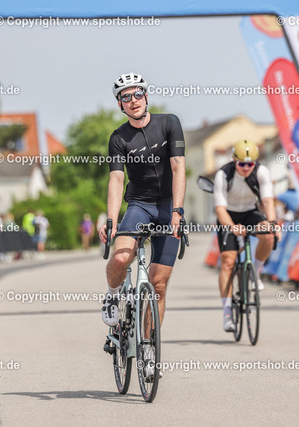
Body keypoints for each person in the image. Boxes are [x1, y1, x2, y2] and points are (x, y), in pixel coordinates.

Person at [98, 73, 186, 376]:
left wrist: (178, 211)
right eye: (126, 97)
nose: (133, 101)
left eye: (137, 94)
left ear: (146, 97)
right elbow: (116, 179)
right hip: (139, 205)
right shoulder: (119, 137)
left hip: (168, 207)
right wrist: (111, 219)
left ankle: (148, 349)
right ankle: (112, 297)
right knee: (120, 257)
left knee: (158, 284)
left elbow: (178, 168)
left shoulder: (169, 123)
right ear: (120, 104)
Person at [214, 140, 280, 332]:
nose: (246, 168)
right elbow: (220, 209)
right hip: (228, 215)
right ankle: (227, 312)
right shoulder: (223, 175)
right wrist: (232, 227)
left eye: (250, 164)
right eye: (242, 164)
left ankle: (254, 272)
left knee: (268, 235)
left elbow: (268, 201)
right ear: (234, 160)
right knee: (228, 262)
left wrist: (272, 223)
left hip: (250, 212)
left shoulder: (261, 172)